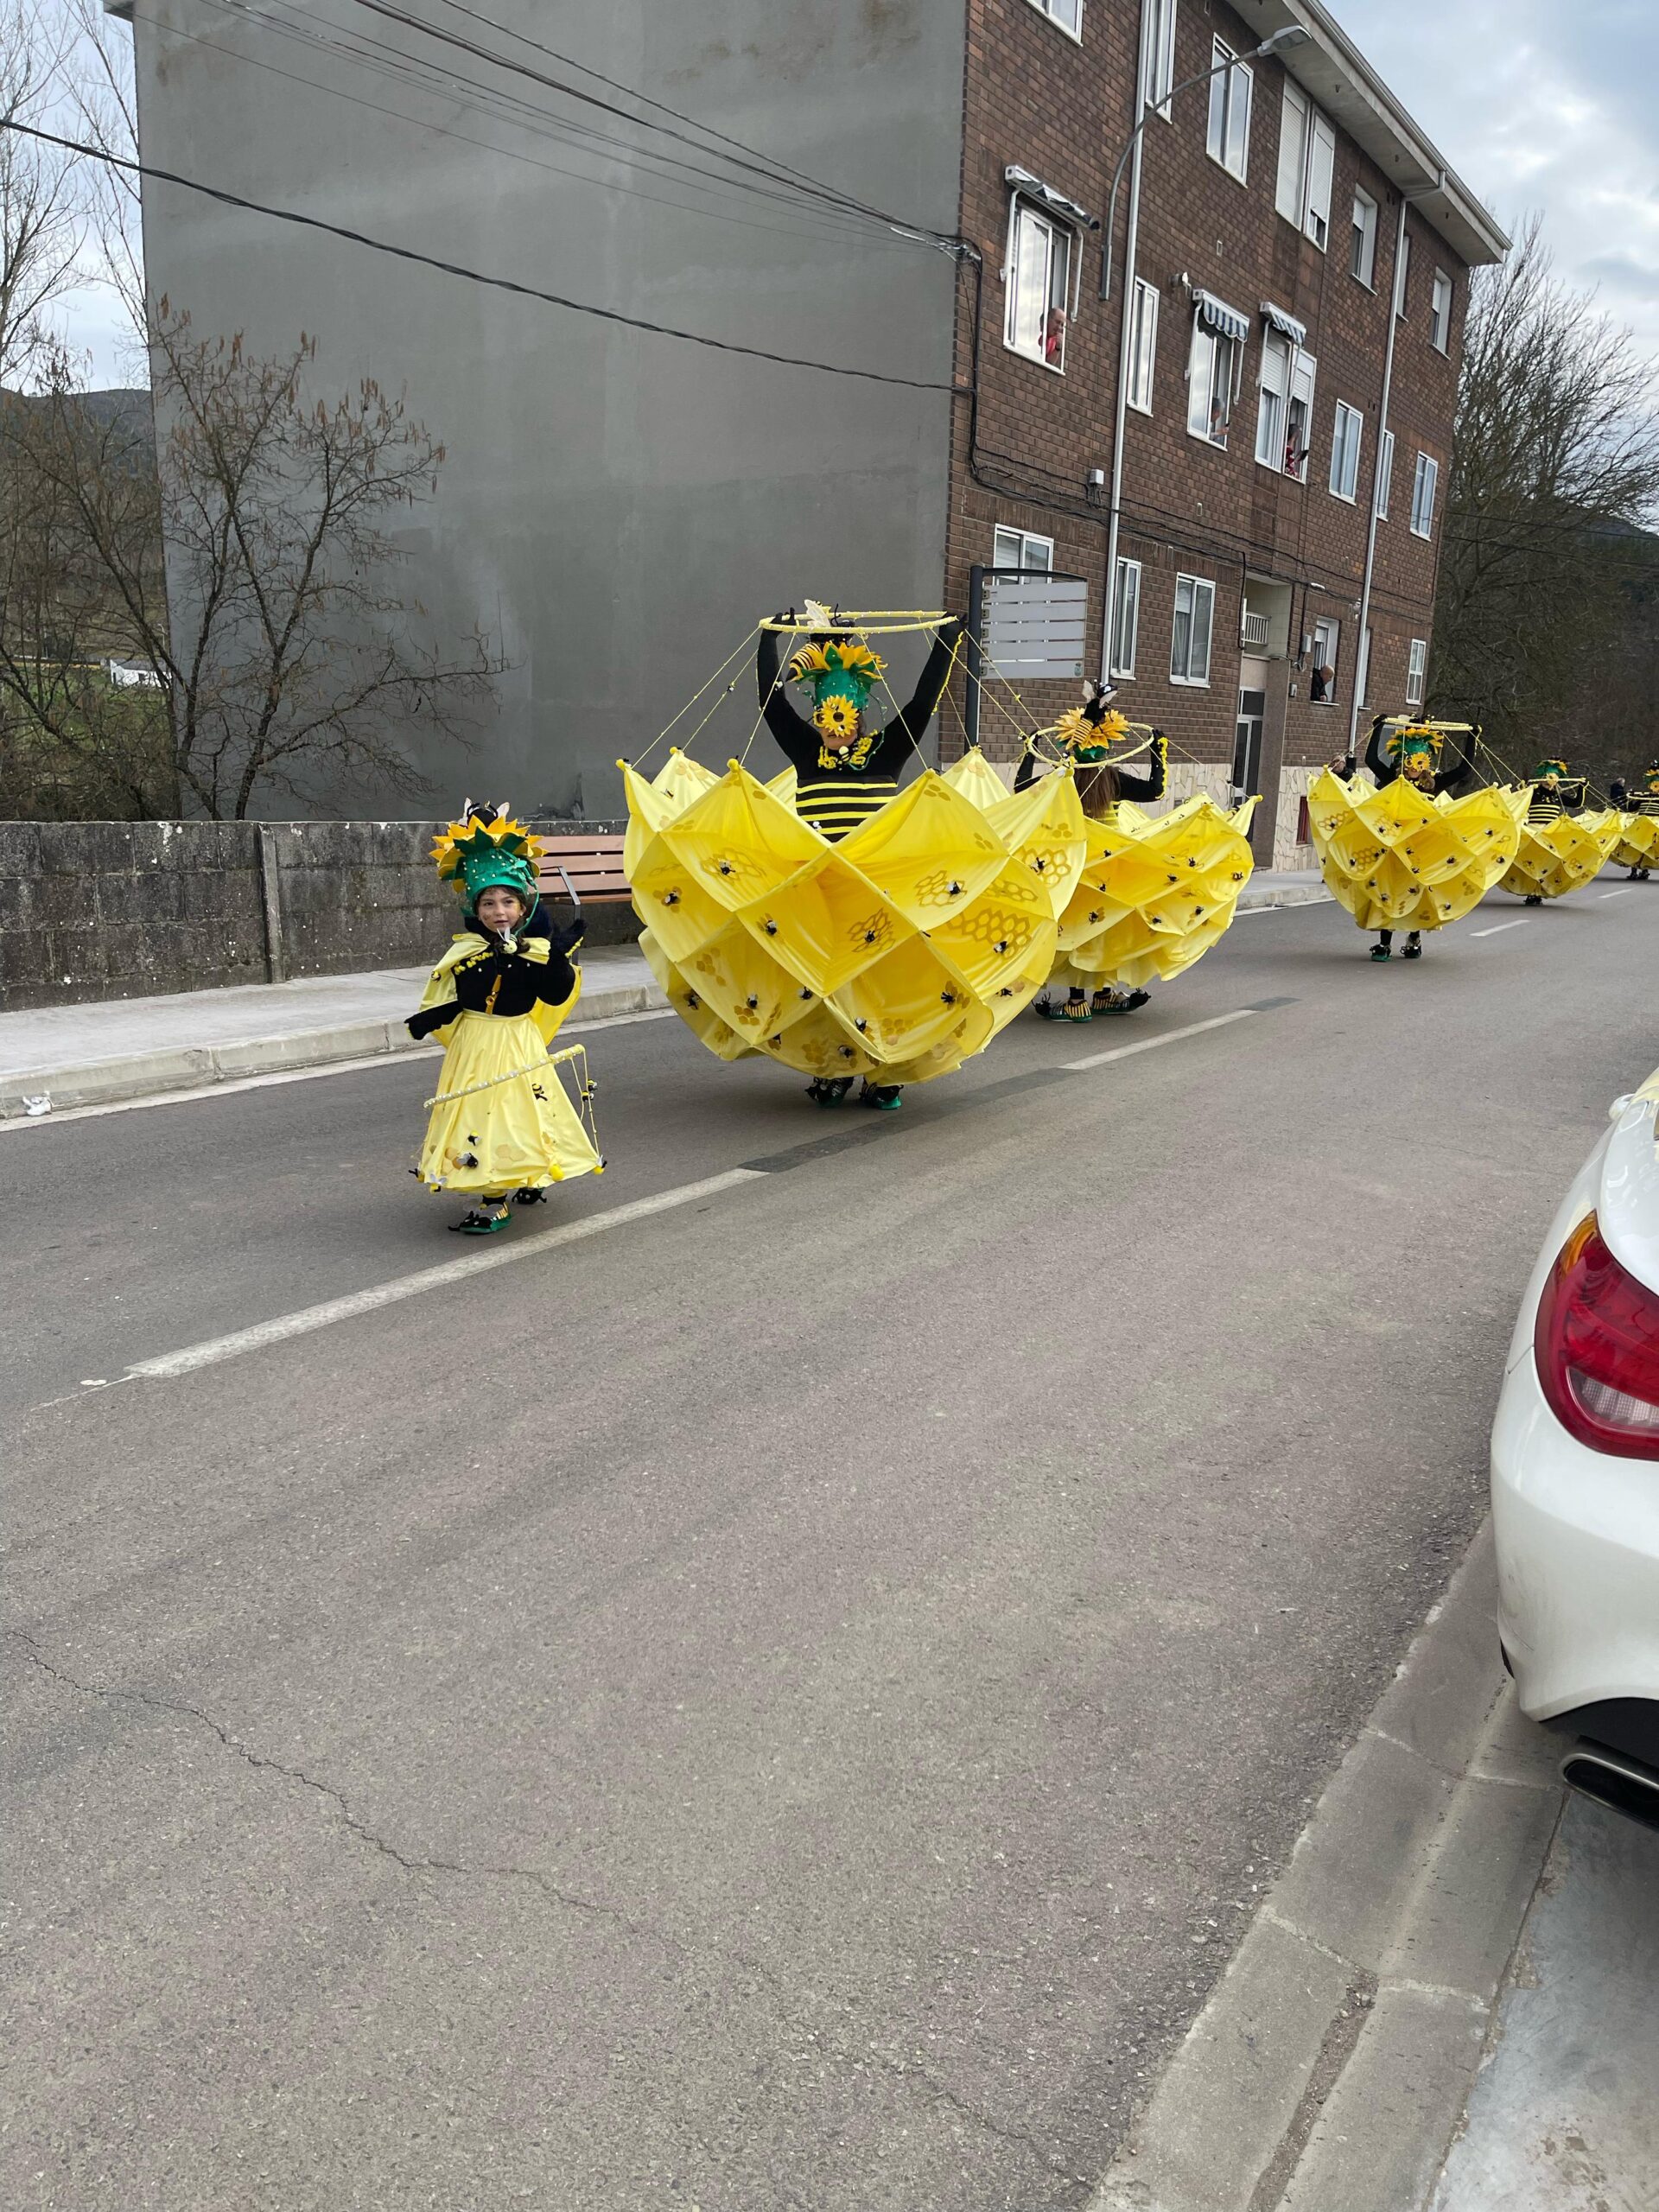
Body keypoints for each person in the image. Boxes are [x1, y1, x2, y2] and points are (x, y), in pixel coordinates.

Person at [756, 613, 963, 1109]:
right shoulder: (806, 752)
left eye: (841, 717)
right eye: (824, 718)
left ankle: (884, 1071)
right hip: (822, 893)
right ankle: (836, 1065)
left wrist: (949, 640)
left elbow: (922, 701)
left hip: (877, 895)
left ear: (858, 712)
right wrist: (770, 639)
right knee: (824, 988)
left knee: (879, 986)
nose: (831, 728)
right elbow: (770, 702)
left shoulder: (887, 750)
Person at [405, 803, 601, 1233]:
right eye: (489, 903)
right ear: (476, 911)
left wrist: (553, 957)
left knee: (515, 1111)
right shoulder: (468, 949)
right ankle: (516, 1179)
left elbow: (555, 993)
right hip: (474, 1044)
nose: (499, 911)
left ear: (522, 906)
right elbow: (461, 996)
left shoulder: (534, 950)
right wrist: (428, 1017)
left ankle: (501, 1197)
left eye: (508, 901)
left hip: (515, 1041)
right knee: (481, 1113)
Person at [1020, 686, 1169, 1020]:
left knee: (1077, 928)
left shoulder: (1062, 779)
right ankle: (1101, 993)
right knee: (1103, 928)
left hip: (1072, 867)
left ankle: (1079, 1000)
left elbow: (1020, 791)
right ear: (1106, 748)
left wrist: (1029, 753)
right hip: (1110, 868)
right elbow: (1155, 791)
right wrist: (1158, 751)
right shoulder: (1112, 778)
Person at [1336, 715, 1478, 959]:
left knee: (1420, 892)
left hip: (1422, 849)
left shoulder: (1434, 783)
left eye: (1420, 762)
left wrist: (1472, 738)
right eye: (1411, 761)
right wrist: (1379, 727)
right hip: (1391, 847)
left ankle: (1414, 937)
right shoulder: (1392, 780)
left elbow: (1465, 769)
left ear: (1426, 762)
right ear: (1402, 760)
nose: (1415, 767)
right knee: (1388, 891)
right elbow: (1372, 760)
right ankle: (1384, 943)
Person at [1517, 757, 1587, 902]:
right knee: (1533, 863)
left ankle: (1541, 891)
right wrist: (1522, 791)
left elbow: (1576, 803)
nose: (1548, 782)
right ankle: (1532, 891)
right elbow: (1519, 801)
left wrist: (1582, 787)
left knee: (1547, 864)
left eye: (1553, 778)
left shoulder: (1557, 795)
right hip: (1533, 832)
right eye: (1546, 778)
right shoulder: (1533, 793)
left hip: (1551, 834)